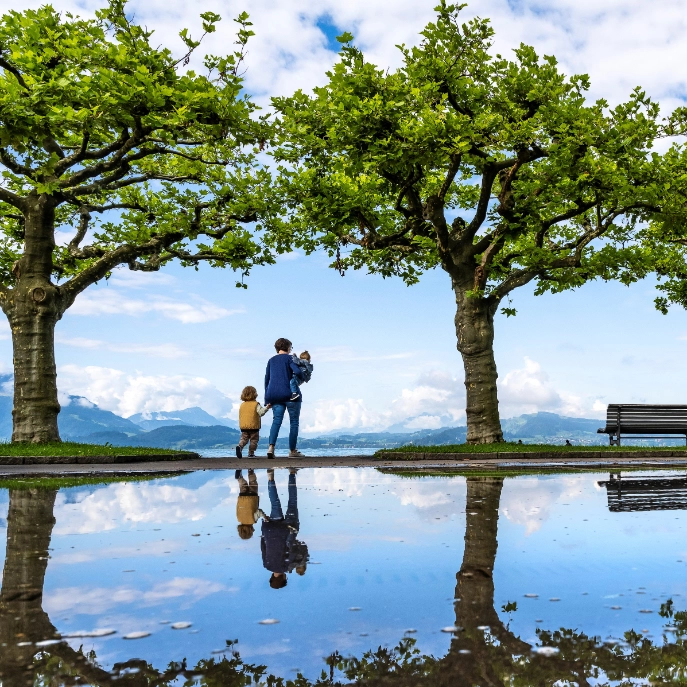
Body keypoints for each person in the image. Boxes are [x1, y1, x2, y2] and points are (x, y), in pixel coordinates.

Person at [261, 468, 309, 589]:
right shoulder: (266, 565)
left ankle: (292, 473)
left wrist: (293, 533)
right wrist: (264, 529)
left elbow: (291, 548)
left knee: (292, 502)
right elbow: (263, 546)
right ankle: (270, 479)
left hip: (287, 529)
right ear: (272, 577)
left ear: (283, 578)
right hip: (271, 529)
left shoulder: (286, 567)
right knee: (274, 503)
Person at [265, 337, 305, 459]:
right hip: (290, 395)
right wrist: (303, 375)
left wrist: (267, 399)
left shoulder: (271, 361)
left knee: (276, 421)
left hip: (274, 394)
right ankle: (292, 451)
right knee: (294, 422)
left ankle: (271, 447)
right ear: (288, 348)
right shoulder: (290, 358)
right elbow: (297, 372)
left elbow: (267, 380)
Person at [236, 386, 271, 459]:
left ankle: (240, 446)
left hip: (244, 426)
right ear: (254, 394)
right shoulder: (256, 404)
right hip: (254, 426)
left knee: (244, 439)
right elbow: (261, 413)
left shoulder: (242, 405)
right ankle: (251, 453)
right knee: (254, 440)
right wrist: (267, 408)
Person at [234, 468, 265, 539]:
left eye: (251, 532)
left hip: (252, 498)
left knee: (253, 482)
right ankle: (239, 478)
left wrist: (264, 516)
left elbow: (259, 511)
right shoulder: (239, 519)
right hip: (242, 498)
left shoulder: (253, 520)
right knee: (243, 485)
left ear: (249, 531)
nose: (253, 531)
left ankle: (251, 470)